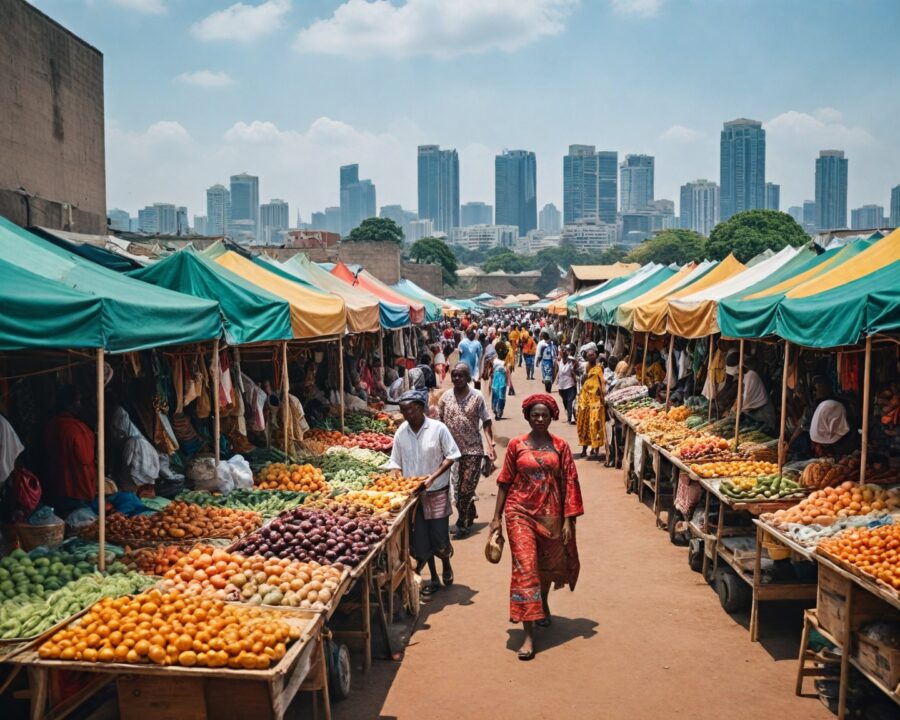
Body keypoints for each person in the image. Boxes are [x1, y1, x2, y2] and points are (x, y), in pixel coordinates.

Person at [489, 394, 583, 660]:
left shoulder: (561, 447)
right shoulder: (517, 445)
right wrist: (496, 518)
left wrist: (568, 520)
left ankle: (542, 603)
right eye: (535, 415)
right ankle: (527, 635)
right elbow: (505, 481)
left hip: (550, 515)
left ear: (552, 416)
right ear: (528, 416)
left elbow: (570, 483)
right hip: (519, 512)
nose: (539, 419)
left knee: (547, 566)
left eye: (544, 415)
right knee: (526, 567)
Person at [385, 390, 461, 595]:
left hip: (436, 490)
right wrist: (398, 478)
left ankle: (446, 563)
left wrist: (432, 478)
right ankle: (434, 578)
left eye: (409, 410)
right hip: (414, 495)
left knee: (439, 536)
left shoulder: (438, 429)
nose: (405, 414)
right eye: (402, 411)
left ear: (420, 408)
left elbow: (452, 456)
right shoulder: (402, 431)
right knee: (420, 539)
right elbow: (395, 461)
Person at [439, 363, 497, 537]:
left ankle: (461, 524)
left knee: (465, 488)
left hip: (473, 449)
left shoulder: (477, 397)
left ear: (468, 377)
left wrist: (490, 444)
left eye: (461, 375)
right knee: (457, 490)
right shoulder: (445, 397)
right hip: (452, 451)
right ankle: (469, 513)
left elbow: (486, 421)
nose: (457, 378)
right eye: (454, 375)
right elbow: (441, 425)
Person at [43, 386, 98, 507]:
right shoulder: (78, 429)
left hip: (55, 488)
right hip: (77, 490)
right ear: (70, 403)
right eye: (78, 400)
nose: (80, 404)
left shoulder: (50, 426)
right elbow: (86, 459)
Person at [577, 347, 606, 459]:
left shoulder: (599, 368)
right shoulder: (586, 367)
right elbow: (584, 382)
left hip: (596, 400)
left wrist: (603, 399)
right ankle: (584, 449)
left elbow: (602, 383)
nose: (591, 357)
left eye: (593, 355)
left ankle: (595, 448)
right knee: (584, 424)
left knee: (595, 424)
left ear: (596, 355)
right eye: (589, 355)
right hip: (586, 399)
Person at [556, 345, 577, 424]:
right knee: (565, 401)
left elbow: (574, 371)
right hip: (561, 385)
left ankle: (571, 418)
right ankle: (569, 416)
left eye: (565, 351)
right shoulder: (558, 361)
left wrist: (575, 382)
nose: (564, 353)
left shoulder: (572, 361)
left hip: (570, 384)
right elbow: (557, 371)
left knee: (570, 401)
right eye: (562, 351)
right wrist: (554, 381)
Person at [491, 345, 509, 420]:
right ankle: (499, 411)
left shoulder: (494, 361)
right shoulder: (505, 363)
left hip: (495, 382)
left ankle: (495, 408)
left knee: (495, 396)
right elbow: (507, 374)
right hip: (502, 383)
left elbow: (491, 371)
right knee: (501, 397)